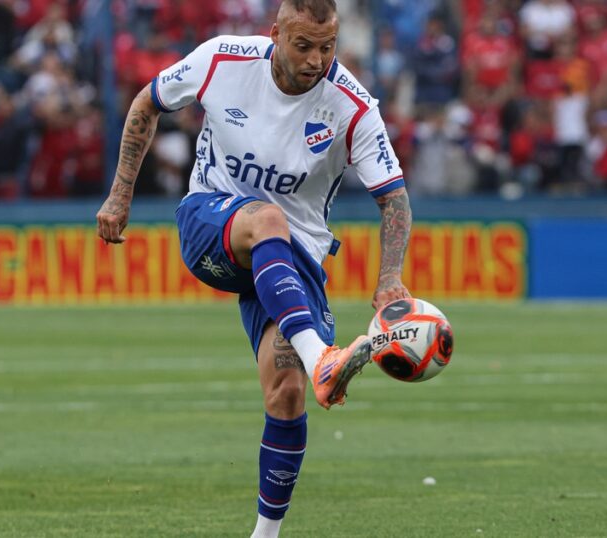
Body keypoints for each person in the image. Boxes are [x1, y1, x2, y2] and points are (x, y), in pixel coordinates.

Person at [95, 1, 412, 537]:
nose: (317, 60)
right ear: (276, 34)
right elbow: (145, 105)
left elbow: (395, 200)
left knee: (286, 394)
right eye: (304, 45)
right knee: (266, 217)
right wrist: (119, 195)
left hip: (294, 257)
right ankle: (323, 361)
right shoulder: (222, 59)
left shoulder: (352, 105)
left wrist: (389, 278)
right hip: (210, 223)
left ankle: (264, 535)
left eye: (327, 46)